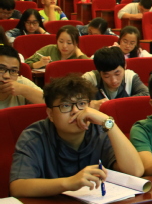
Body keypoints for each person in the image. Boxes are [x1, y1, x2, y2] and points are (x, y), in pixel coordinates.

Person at [9, 75, 144, 197]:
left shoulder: (101, 130)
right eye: (66, 105)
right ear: (50, 114)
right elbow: (18, 187)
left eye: (81, 104)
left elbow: (135, 171)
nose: (75, 111)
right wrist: (69, 183)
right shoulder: (34, 137)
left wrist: (108, 122)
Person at [83, 47, 149, 110]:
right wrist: (91, 104)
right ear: (99, 72)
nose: (114, 80)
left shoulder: (129, 77)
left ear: (125, 65)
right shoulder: (90, 78)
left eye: (117, 74)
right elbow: (76, 99)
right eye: (107, 76)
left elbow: (147, 94)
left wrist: (117, 104)